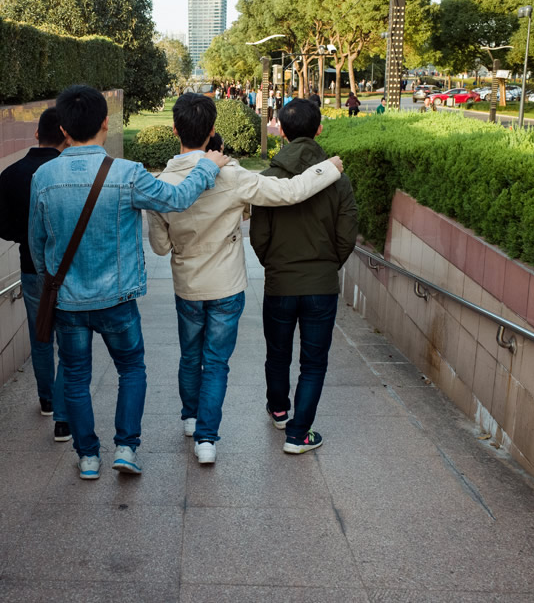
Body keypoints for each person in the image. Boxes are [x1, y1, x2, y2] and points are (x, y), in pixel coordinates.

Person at [29, 85, 231, 480]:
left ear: (63, 129)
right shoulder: (126, 174)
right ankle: (126, 448)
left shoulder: (43, 177)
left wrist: (52, 283)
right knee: (131, 369)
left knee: (74, 377)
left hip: (68, 302)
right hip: (117, 300)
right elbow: (177, 198)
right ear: (106, 123)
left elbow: (38, 243)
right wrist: (208, 165)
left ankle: (88, 457)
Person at [147, 94, 343, 465]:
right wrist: (327, 168)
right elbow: (289, 193)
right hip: (227, 286)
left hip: (187, 286)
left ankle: (190, 419)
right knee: (216, 362)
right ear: (212, 132)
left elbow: (158, 247)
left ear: (175, 130)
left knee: (191, 355)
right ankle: (207, 439)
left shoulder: (162, 183)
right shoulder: (232, 176)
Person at [250, 98, 358, 454]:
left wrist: (276, 265)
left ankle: (279, 410)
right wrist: (326, 267)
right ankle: (298, 434)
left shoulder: (268, 180)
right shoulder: (338, 181)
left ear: (281, 130)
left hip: (280, 282)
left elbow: (259, 238)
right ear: (319, 129)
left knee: (277, 353)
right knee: (314, 362)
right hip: (321, 285)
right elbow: (346, 238)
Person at [0, 107, 71, 442]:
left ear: (37, 134)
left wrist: (26, 235)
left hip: (31, 268)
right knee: (70, 340)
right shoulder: (67, 173)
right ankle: (64, 418)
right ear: (66, 136)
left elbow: (1, 227)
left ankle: (47, 400)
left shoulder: (11, 174)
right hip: (68, 270)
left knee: (41, 337)